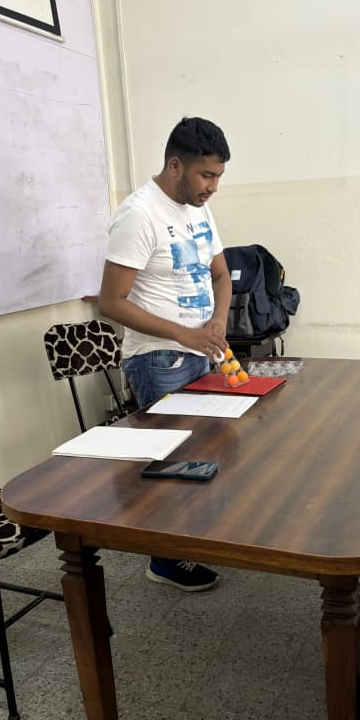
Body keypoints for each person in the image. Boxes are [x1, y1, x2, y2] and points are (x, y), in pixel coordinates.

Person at [99, 116, 232, 592]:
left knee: (205, 452)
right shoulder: (139, 214)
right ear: (175, 164)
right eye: (205, 175)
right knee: (171, 461)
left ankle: (191, 540)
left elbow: (221, 275)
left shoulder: (198, 209)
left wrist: (217, 321)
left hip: (199, 351)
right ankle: (165, 558)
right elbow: (111, 302)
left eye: (218, 177)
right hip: (158, 358)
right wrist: (183, 333)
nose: (212, 187)